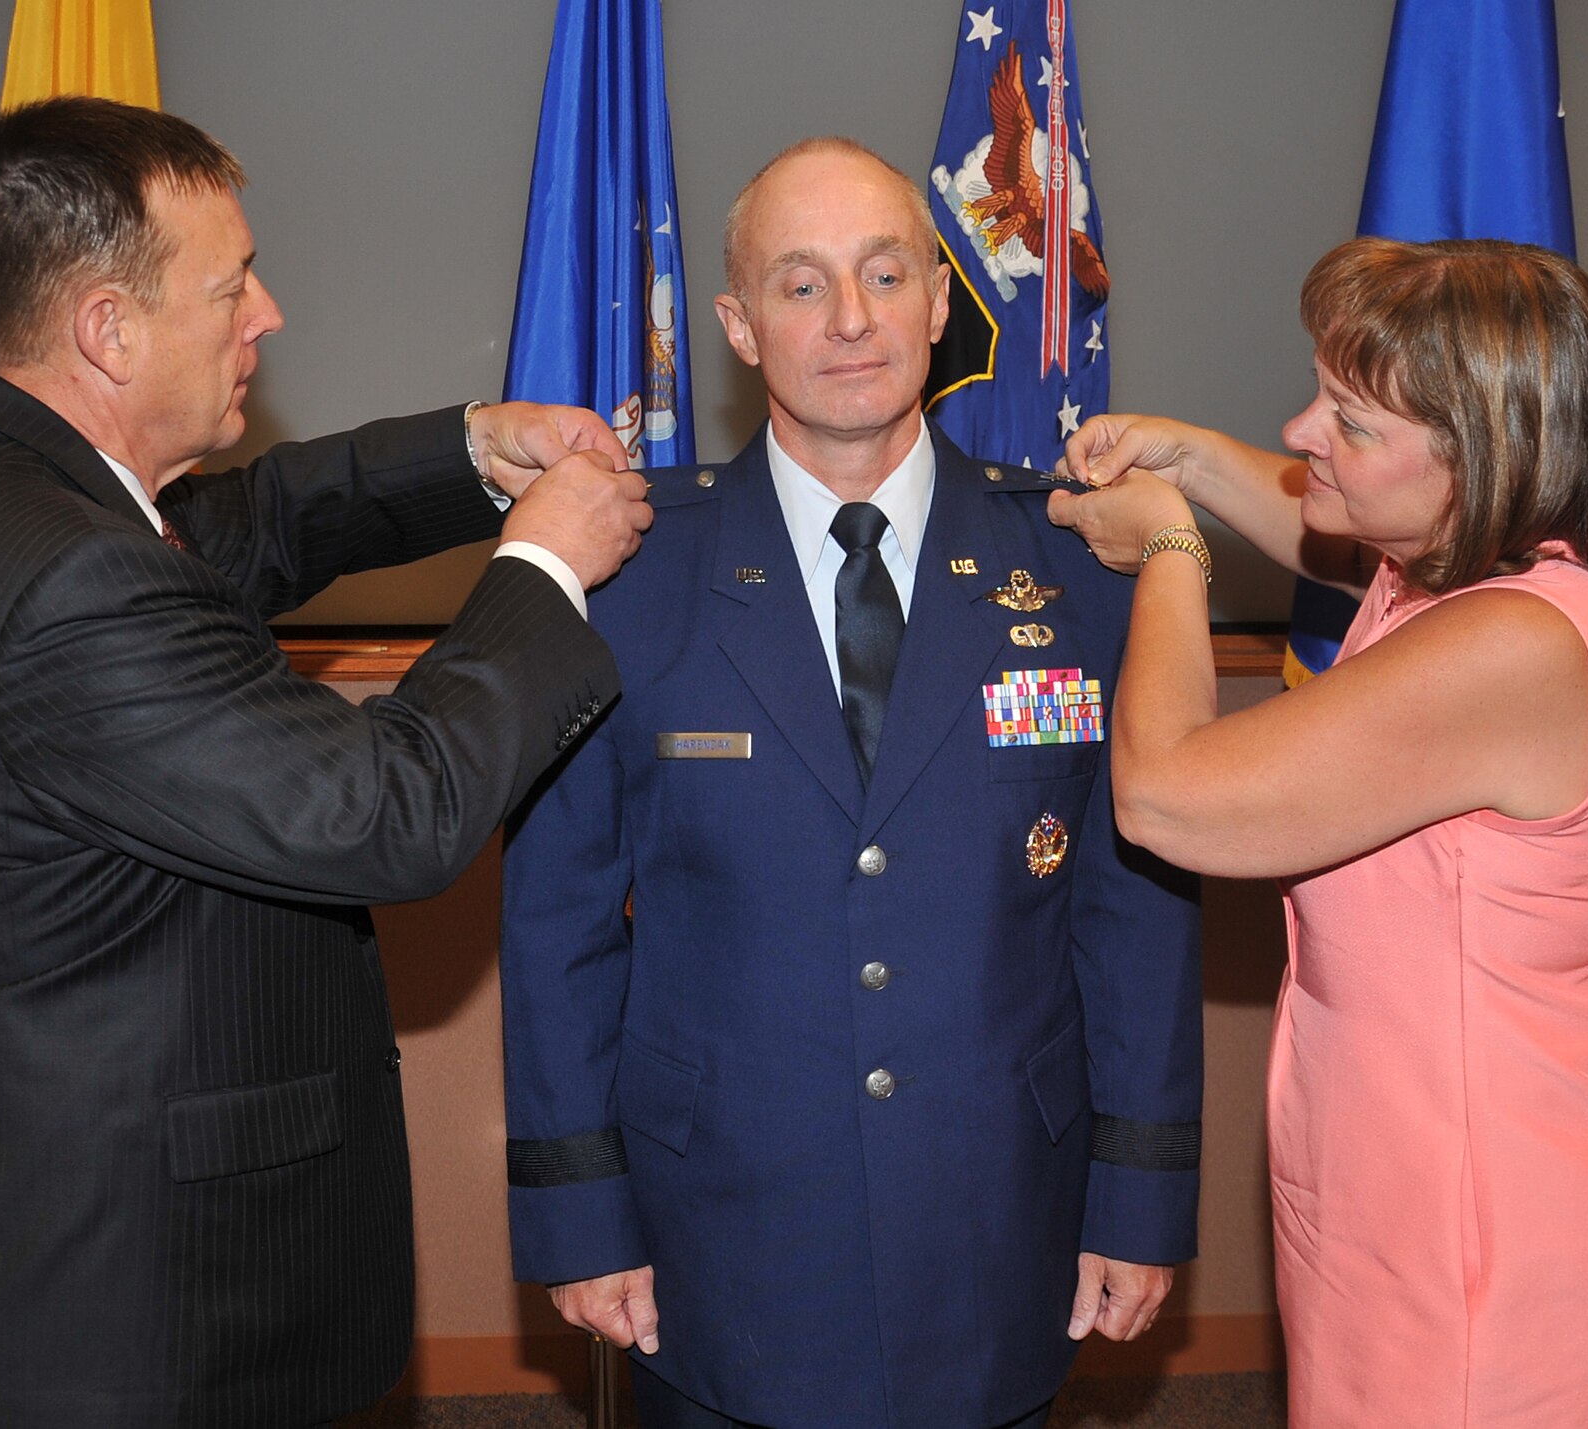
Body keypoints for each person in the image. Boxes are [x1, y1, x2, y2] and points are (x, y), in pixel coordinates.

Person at [0, 96, 652, 1428]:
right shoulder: (67, 577)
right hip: (133, 1311)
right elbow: (390, 810)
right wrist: (543, 565)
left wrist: (472, 450)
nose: (269, 312)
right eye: (231, 286)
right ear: (107, 330)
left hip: (52, 1213)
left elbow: (246, 527)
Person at [498, 137, 1203, 1429]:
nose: (853, 320)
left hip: (996, 1223)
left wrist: (1140, 1189)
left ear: (944, 302)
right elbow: (557, 922)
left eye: (886, 274)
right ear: (738, 325)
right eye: (802, 283)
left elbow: (1134, 909)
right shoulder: (626, 576)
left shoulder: (1087, 564)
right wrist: (575, 1208)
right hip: (719, 1232)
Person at [1048, 236, 1588, 1428]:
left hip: (1490, 1244)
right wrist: (1187, 457)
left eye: (1349, 422)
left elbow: (1170, 795)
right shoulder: (1523, 562)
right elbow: (1330, 531)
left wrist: (1168, 551)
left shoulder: (1510, 648)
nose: (1304, 434)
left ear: (1479, 462)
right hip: (1446, 1170)